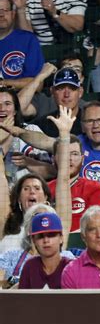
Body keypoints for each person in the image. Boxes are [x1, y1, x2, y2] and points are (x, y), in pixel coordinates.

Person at [0, 105, 73, 252]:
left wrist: (65, 136)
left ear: (46, 199)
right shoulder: (6, 227)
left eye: (37, 188)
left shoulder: (57, 228)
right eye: (26, 189)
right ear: (19, 200)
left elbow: (64, 178)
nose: (32, 191)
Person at [48, 134, 100, 233]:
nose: (69, 158)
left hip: (82, 241)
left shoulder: (94, 188)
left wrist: (70, 236)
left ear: (82, 159)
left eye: (74, 154)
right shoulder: (44, 189)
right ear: (53, 159)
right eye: (64, 153)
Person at [0, 0, 44, 90]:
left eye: (5, 10)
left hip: (22, 96)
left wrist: (3, 83)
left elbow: (38, 84)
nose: (1, 14)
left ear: (13, 14)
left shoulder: (28, 40)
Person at [18, 211, 72, 289]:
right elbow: (21, 296)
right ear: (33, 240)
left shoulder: (71, 267)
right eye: (40, 236)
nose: (46, 240)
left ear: (61, 238)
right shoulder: (30, 266)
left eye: (51, 235)